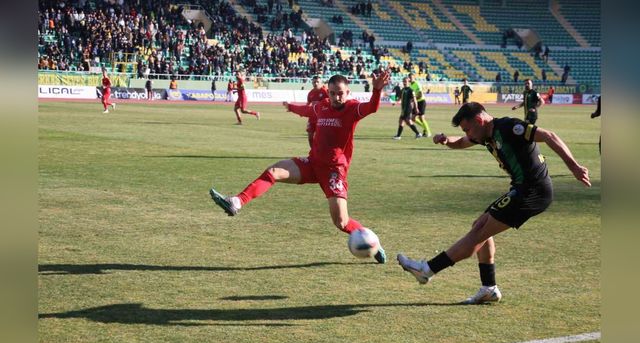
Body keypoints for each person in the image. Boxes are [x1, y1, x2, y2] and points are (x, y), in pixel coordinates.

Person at [397, 102, 591, 304]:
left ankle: (426, 269)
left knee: (478, 233)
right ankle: (489, 288)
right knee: (479, 227)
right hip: (521, 190)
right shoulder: (484, 134)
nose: (468, 134)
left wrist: (574, 167)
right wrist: (447, 140)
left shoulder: (509, 127)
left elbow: (550, 136)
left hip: (533, 191)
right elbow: (462, 142)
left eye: (468, 128)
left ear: (479, 120)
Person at [209, 72, 392, 264]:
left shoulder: (352, 108)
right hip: (313, 164)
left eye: (340, 93)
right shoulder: (322, 106)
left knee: (342, 222)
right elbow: (307, 111)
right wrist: (291, 107)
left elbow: (372, 107)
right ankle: (237, 202)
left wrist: (377, 90)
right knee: (274, 171)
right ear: (327, 93)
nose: (337, 97)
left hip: (334, 172)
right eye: (333, 93)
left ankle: (373, 244)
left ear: (348, 92)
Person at [305, 76, 329, 147]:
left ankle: (322, 152)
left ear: (321, 83)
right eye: (314, 82)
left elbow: (330, 103)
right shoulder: (310, 93)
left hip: (322, 117)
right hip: (312, 117)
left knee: (321, 137)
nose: (315, 83)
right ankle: (313, 152)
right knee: (310, 136)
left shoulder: (325, 91)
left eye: (317, 82)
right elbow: (308, 104)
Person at [408, 73, 432, 137]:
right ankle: (424, 128)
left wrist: (413, 100)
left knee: (421, 118)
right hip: (416, 102)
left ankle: (428, 132)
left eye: (411, 77)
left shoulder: (417, 84)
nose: (410, 79)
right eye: (409, 77)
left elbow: (420, 94)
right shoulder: (410, 86)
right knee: (413, 118)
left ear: (414, 78)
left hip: (421, 101)